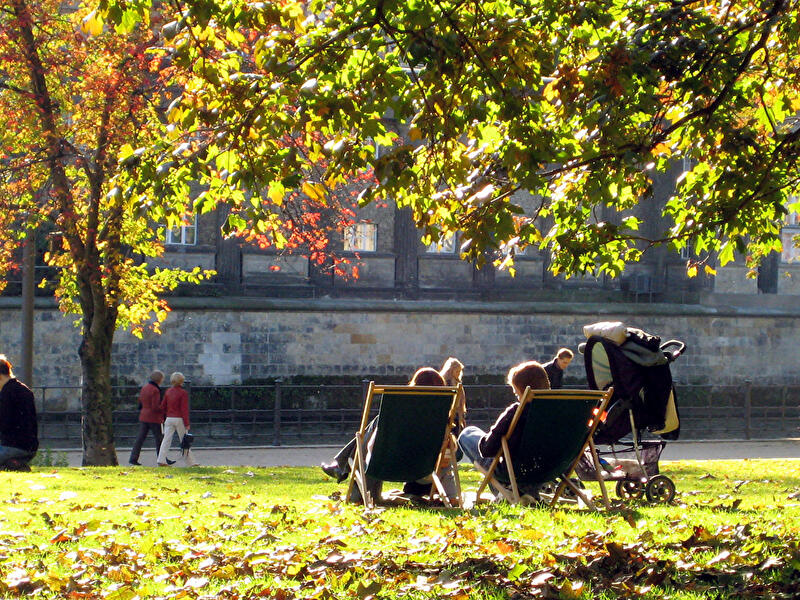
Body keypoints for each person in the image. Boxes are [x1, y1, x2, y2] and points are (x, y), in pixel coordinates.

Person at [457, 360, 550, 476]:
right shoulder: (555, 412)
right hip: (546, 470)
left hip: (513, 471)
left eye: (517, 394)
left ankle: (506, 488)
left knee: (467, 433)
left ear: (525, 392)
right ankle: (505, 490)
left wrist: (489, 437)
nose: (517, 399)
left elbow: (487, 449)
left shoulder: (517, 412)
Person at [0, 355, 38, 471]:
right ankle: (12, 463)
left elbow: (3, 423)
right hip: (30, 446)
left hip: (13, 446)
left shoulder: (7, 394)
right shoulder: (24, 389)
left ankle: (13, 463)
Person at [129, 371, 175, 466]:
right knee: (159, 439)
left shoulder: (144, 388)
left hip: (144, 416)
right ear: (160, 380)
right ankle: (162, 459)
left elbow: (140, 402)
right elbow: (155, 407)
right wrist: (164, 409)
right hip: (154, 418)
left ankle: (133, 458)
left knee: (140, 438)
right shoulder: (155, 390)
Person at [157, 372, 197, 467]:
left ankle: (161, 459)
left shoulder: (168, 392)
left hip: (169, 418)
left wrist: (161, 417)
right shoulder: (183, 393)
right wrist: (187, 423)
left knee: (166, 440)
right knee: (184, 440)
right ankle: (190, 462)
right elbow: (184, 409)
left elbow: (162, 406)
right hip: (179, 419)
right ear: (181, 381)